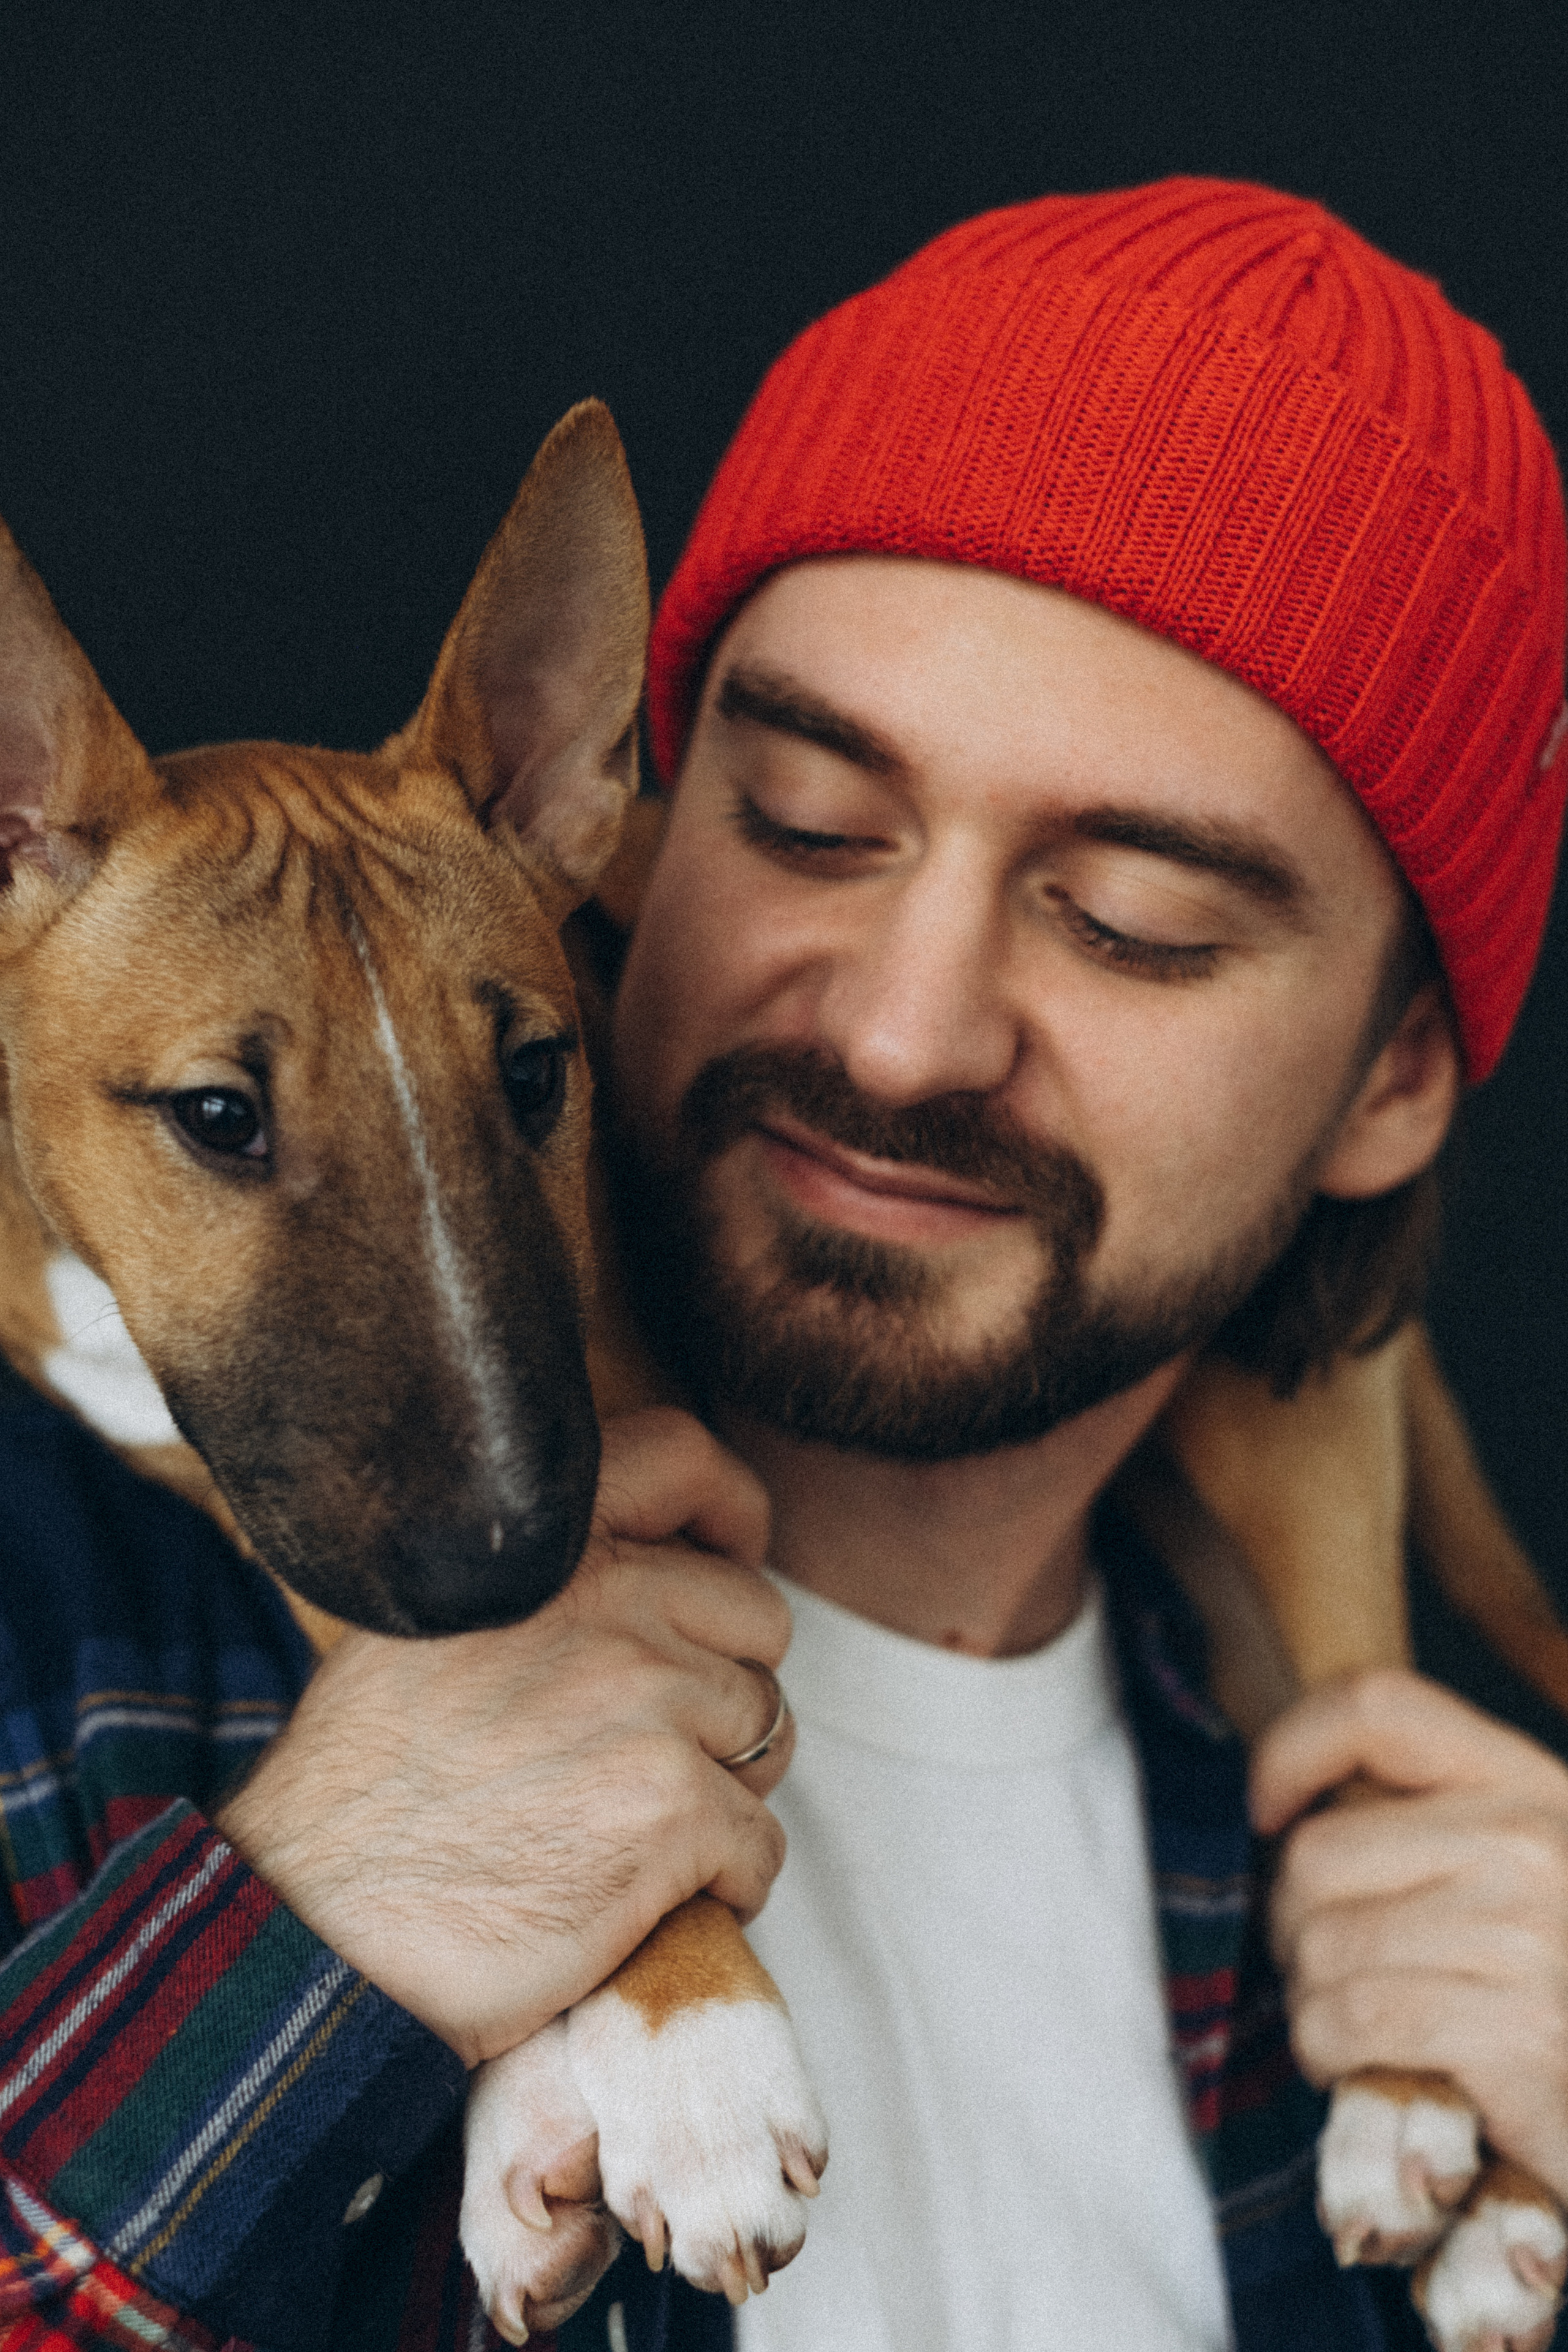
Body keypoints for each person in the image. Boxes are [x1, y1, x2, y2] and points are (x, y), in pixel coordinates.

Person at [2, 177, 1566, 2352]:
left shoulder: (1459, 1973)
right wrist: (306, 1936)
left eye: (1136, 921)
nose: (906, 1029)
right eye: (810, 825)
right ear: (626, 829)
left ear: (1396, 1081)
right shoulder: (54, 1664)